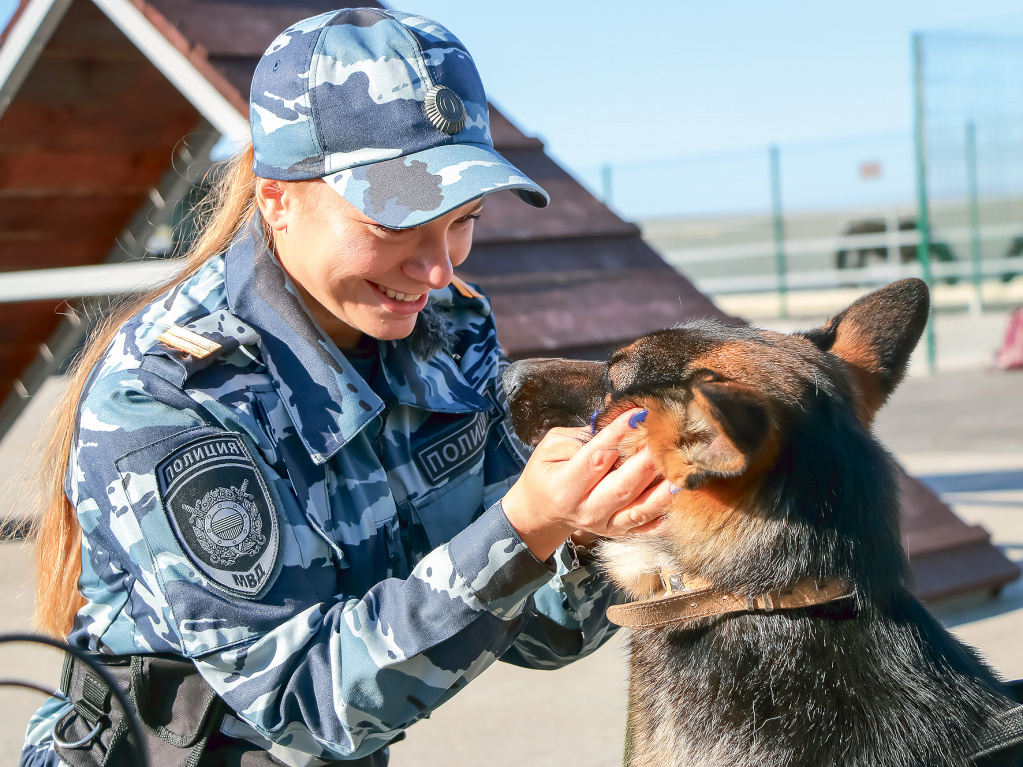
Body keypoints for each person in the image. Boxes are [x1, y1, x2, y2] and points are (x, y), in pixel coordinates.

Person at [21, 8, 671, 766]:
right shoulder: (170, 397)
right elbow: (303, 706)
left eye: (463, 219)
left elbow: (541, 632)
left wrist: (591, 527)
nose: (438, 270)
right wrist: (523, 527)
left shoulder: (447, 332)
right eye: (395, 224)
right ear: (277, 198)